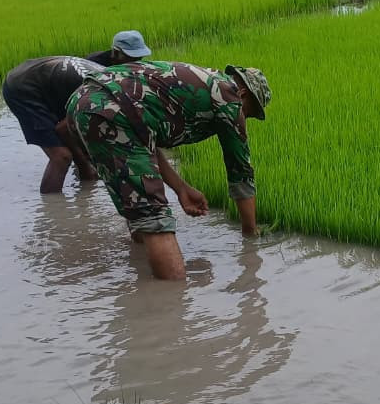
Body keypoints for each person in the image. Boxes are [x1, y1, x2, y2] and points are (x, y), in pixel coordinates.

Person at [64, 61, 270, 281]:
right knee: (155, 218)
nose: (245, 117)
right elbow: (240, 173)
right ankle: (171, 303)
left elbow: (143, 141)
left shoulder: (207, 82)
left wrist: (181, 188)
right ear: (245, 93)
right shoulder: (230, 101)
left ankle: (145, 274)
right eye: (252, 111)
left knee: (139, 206)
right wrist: (250, 234)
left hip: (84, 104)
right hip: (111, 111)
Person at [2, 31, 153, 194]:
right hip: (23, 88)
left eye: (139, 60)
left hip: (45, 83)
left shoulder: (107, 69)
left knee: (81, 137)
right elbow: (63, 128)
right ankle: (53, 212)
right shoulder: (99, 82)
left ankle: (82, 178)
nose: (135, 66)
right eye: (131, 59)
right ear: (115, 53)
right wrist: (84, 167)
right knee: (61, 157)